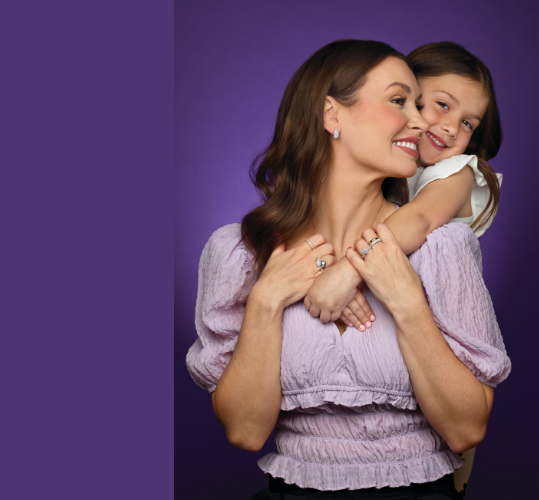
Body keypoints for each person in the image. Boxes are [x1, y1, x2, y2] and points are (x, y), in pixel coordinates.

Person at [186, 40, 510, 500]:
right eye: (401, 101)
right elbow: (244, 432)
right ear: (331, 116)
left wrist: (405, 301)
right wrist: (266, 301)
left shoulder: (442, 246)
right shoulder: (240, 253)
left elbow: (466, 430)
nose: (420, 122)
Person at [301, 41, 506, 337]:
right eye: (442, 105)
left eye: (467, 123)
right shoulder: (387, 167)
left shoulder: (457, 172)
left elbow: (420, 217)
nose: (451, 127)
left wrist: (347, 273)